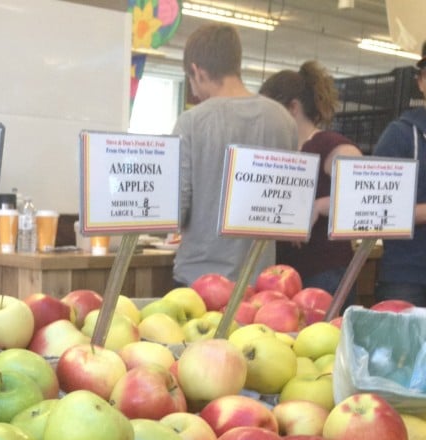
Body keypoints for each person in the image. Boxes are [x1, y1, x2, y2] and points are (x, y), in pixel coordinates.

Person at [170, 23, 298, 289]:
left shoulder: (192, 122)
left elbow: (176, 209)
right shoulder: (283, 120)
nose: (194, 92)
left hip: (200, 281)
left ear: (196, 70)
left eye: (191, 81)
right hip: (262, 284)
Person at [260, 61, 362, 299]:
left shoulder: (328, 144)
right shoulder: (283, 149)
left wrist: (319, 206)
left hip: (324, 270)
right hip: (288, 272)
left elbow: (363, 192)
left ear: (292, 107)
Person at [372, 46, 426, 307]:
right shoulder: (401, 135)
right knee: (403, 348)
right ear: (421, 82)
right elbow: (379, 211)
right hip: (409, 275)